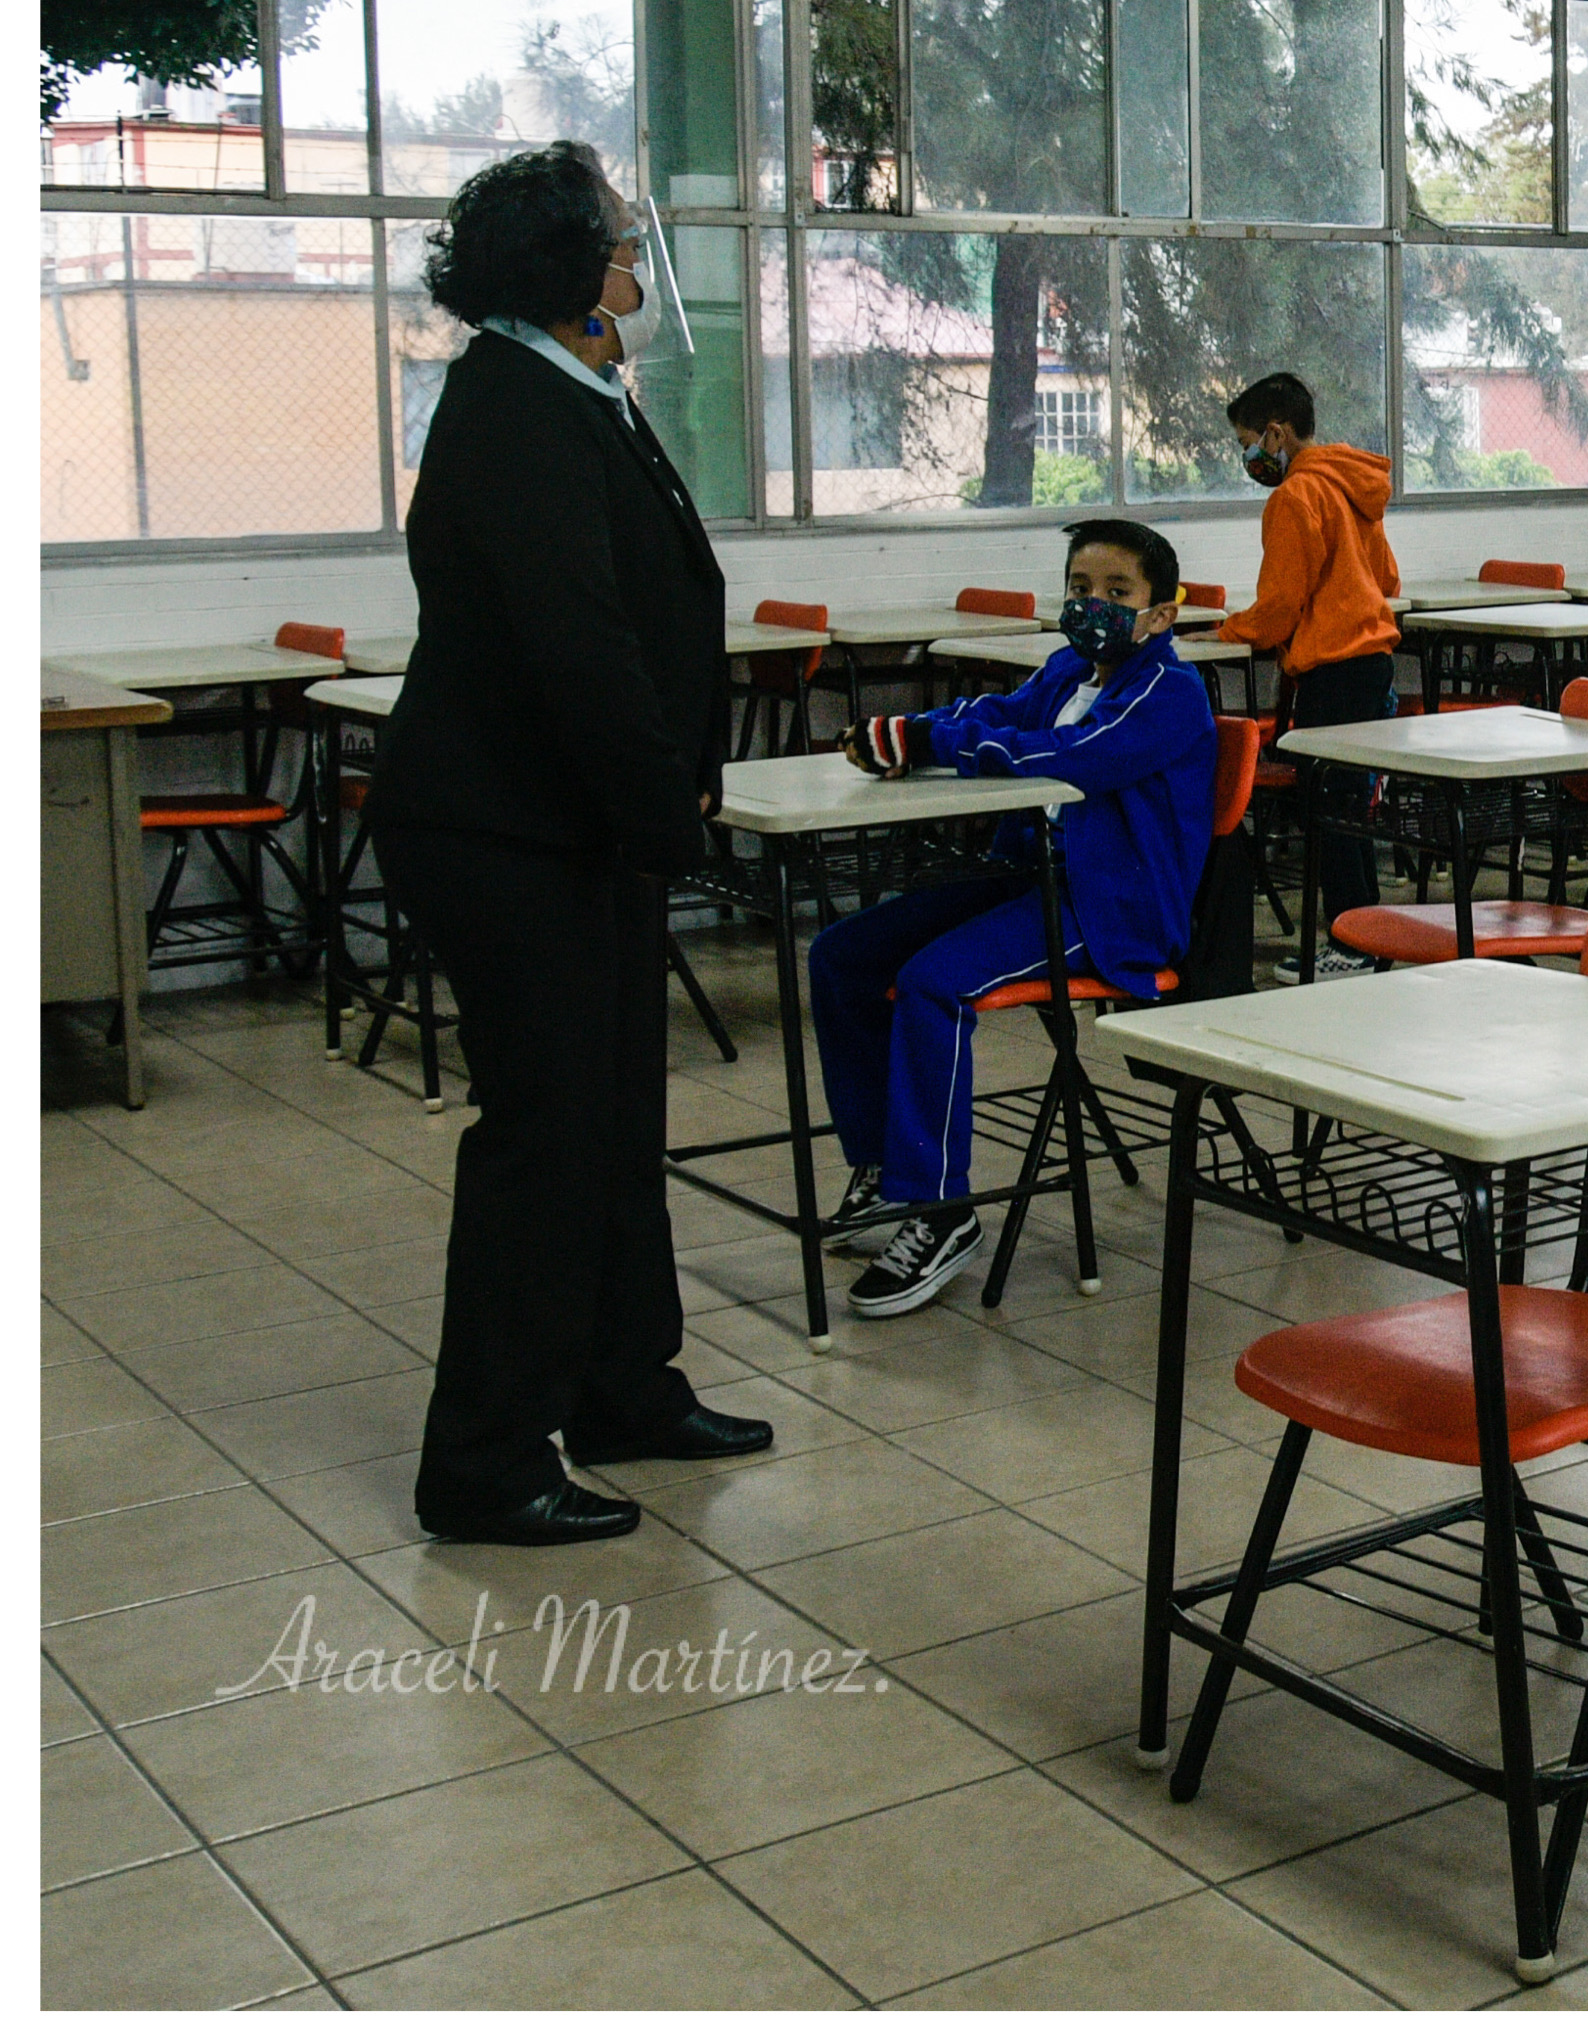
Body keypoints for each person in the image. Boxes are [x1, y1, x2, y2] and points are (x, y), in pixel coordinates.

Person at [368, 140, 763, 1546]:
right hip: (506, 830)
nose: (634, 259)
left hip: (572, 826)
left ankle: (621, 1386)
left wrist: (661, 800)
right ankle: (483, 1458)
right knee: (545, 1139)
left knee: (615, 1121)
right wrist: (666, 808)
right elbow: (577, 643)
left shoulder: (569, 385)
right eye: (616, 239)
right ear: (563, 265)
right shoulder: (515, 407)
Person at [811, 520, 1217, 1314]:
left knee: (934, 982)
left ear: (1162, 614)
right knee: (843, 956)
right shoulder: (1066, 669)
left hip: (1111, 905)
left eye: (1117, 592)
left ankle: (940, 1207)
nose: (1092, 605)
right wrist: (920, 733)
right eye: (1079, 588)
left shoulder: (1170, 694)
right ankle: (887, 1167)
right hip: (1026, 877)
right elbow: (1000, 713)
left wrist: (932, 743)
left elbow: (1074, 756)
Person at [1206, 372, 1399, 980]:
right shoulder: (1351, 484)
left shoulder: (1294, 497)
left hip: (1333, 670)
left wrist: (1223, 633)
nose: (1249, 457)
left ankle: (1350, 946)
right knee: (1351, 807)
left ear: (1276, 433)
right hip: (1372, 663)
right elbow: (1388, 580)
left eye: (1248, 443)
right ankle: (1366, 936)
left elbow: (1278, 609)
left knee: (1329, 810)